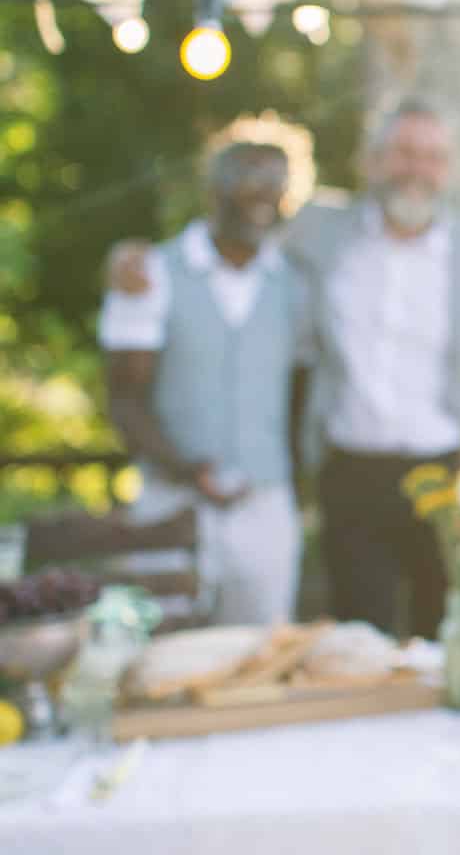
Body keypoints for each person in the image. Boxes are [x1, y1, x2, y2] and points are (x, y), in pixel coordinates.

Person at [109, 98, 460, 638]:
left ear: (450, 167)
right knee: (356, 640)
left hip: (445, 468)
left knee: (444, 631)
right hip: (350, 469)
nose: (416, 169)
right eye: (402, 152)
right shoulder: (319, 232)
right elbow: (226, 237)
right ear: (373, 161)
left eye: (432, 156)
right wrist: (125, 255)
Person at [101, 129, 310, 625]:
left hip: (266, 508)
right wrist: (185, 468)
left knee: (260, 660)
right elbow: (124, 399)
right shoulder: (151, 273)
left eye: (274, 187)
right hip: (170, 501)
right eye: (249, 184)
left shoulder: (296, 285)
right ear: (214, 190)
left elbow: (302, 393)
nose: (263, 199)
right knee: (161, 654)